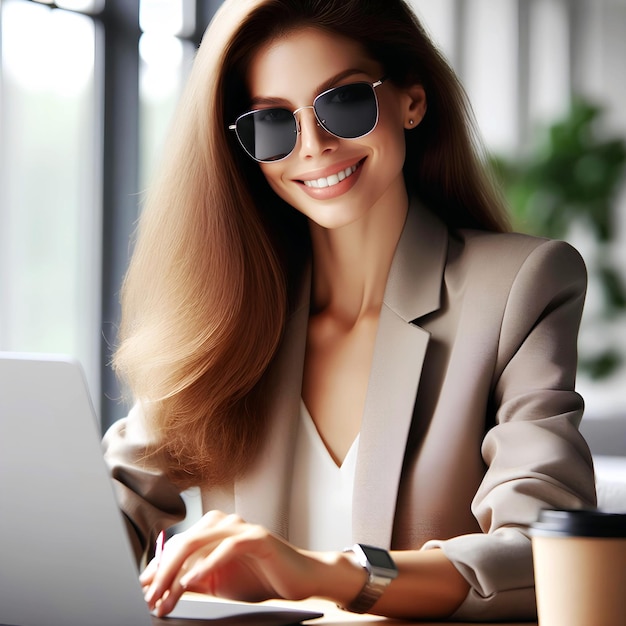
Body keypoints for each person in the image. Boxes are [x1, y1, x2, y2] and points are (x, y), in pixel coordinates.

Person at [102, 0, 597, 621]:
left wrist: (327, 573)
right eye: (272, 124)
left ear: (411, 101)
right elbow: (103, 510)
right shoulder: (230, 314)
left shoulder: (520, 286)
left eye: (344, 103)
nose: (313, 146)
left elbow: (545, 552)